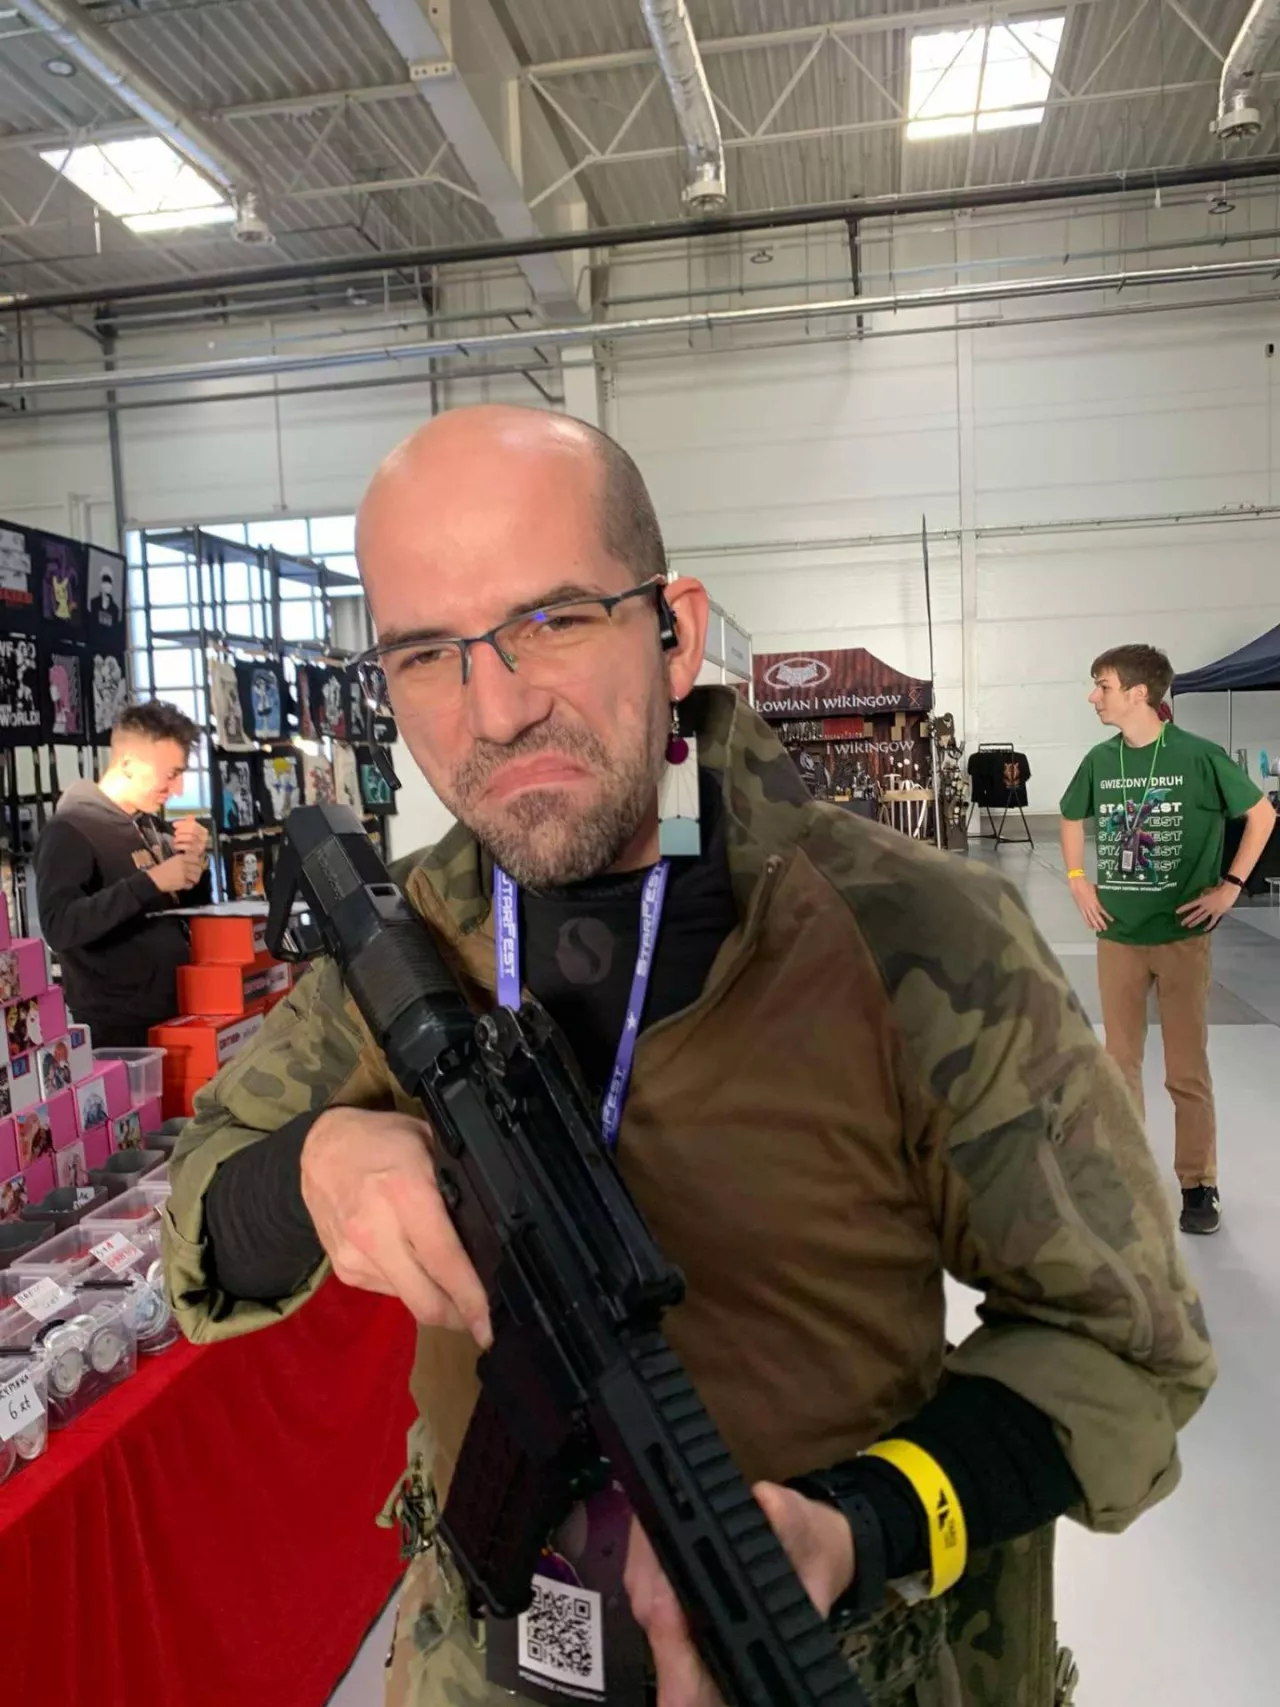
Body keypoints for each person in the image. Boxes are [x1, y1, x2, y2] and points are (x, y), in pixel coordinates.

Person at [165, 408, 1214, 1707]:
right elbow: (203, 1206)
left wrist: (859, 1524)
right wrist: (313, 1165)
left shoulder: (917, 937)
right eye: (427, 652)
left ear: (674, 630)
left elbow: (1125, 1346)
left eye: (552, 618)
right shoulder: (410, 936)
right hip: (477, 1667)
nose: (496, 706)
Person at [1060, 645, 1276, 1236]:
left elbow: (1261, 816)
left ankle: (1198, 1183)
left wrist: (1232, 886)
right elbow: (1071, 815)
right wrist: (1077, 879)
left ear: (1138, 693)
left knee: (1186, 1069)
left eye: (1102, 686)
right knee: (1119, 1065)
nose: (1093, 696)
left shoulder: (1198, 756)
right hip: (1118, 937)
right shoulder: (1100, 761)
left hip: (1182, 937)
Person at [35, 700, 211, 1047]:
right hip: (118, 1027)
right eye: (171, 774)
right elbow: (60, 927)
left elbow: (184, 911)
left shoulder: (149, 825)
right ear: (129, 764)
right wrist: (151, 881)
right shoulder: (70, 829)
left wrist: (195, 864)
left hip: (172, 1010)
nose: (177, 789)